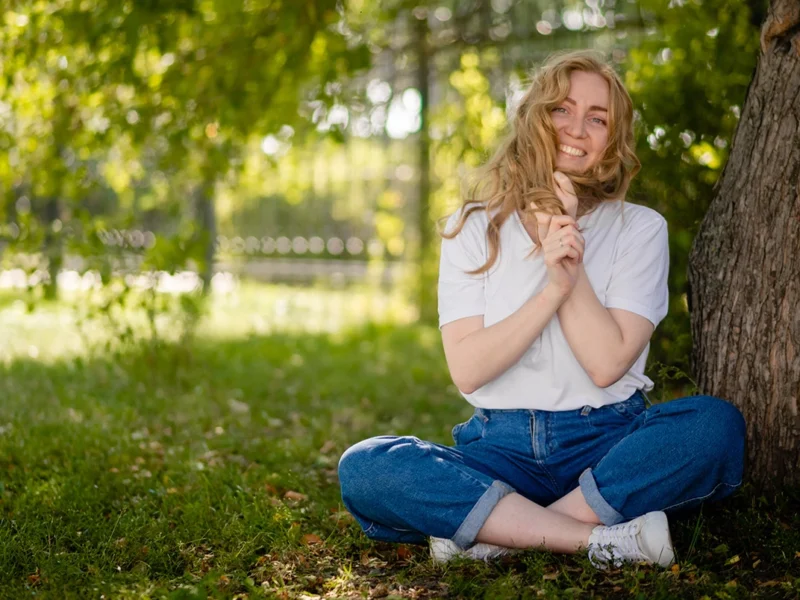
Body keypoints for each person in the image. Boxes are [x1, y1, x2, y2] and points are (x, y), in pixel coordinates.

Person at [337, 50, 745, 568]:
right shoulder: (471, 226)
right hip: (499, 450)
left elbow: (606, 363)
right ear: (535, 118)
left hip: (606, 441)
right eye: (562, 109)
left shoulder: (639, 228)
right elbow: (469, 368)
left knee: (714, 427)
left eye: (598, 118)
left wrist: (567, 254)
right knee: (367, 467)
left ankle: (501, 533)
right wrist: (552, 289)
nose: (577, 128)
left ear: (612, 140)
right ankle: (598, 539)